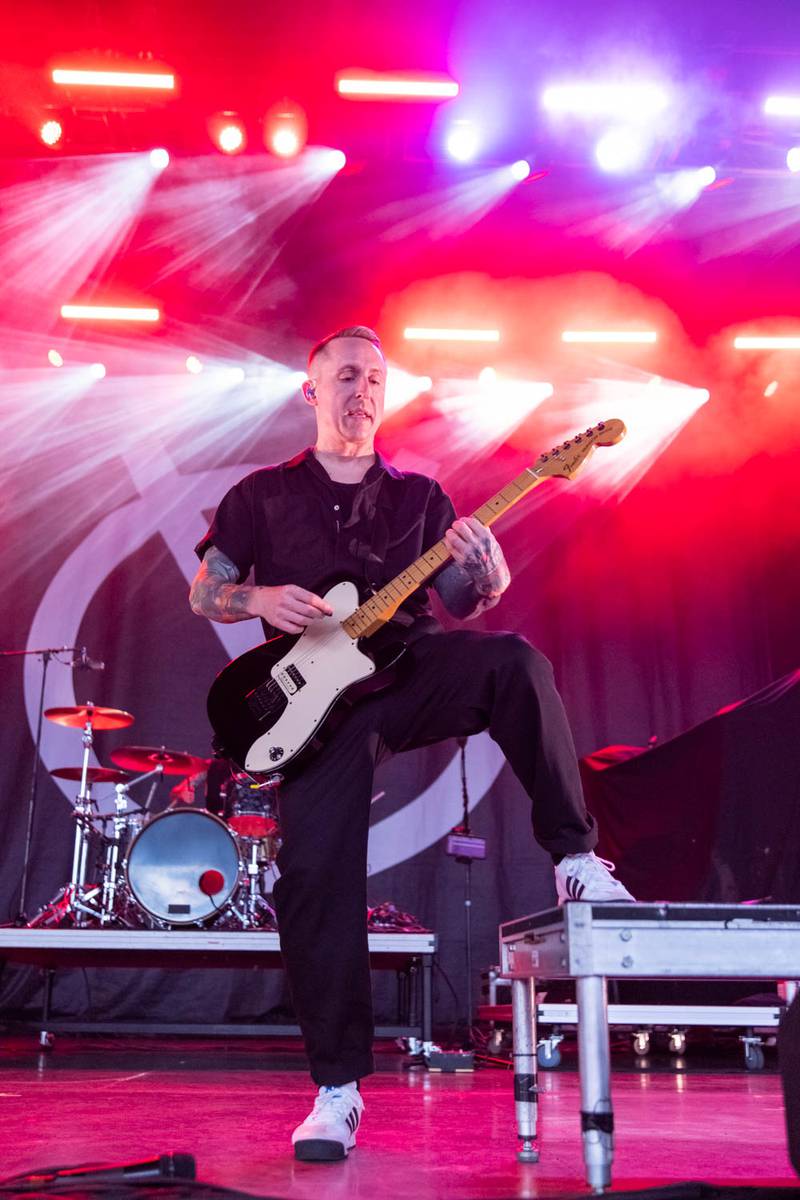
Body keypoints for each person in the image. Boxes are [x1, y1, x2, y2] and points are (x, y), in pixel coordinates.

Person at [189, 325, 634, 1162]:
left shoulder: (421, 499)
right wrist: (257, 598)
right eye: (347, 374)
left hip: (406, 663)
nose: (364, 388)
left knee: (513, 661)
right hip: (320, 703)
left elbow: (464, 602)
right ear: (312, 391)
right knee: (316, 876)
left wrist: (489, 572)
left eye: (377, 378)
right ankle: (337, 1091)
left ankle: (575, 858)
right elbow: (204, 591)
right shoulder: (259, 496)